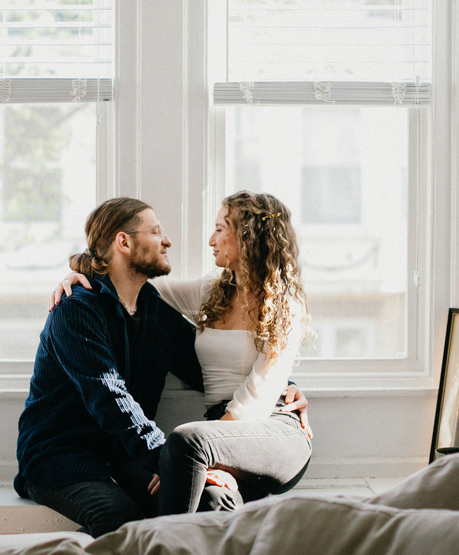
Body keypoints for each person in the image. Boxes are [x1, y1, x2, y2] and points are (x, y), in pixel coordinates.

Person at [15, 197, 308, 537]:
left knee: (211, 502)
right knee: (120, 520)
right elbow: (108, 397)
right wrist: (164, 459)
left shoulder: (153, 309)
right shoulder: (77, 309)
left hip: (123, 456)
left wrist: (285, 387)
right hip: (61, 458)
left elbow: (208, 366)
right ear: (123, 242)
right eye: (156, 232)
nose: (167, 241)